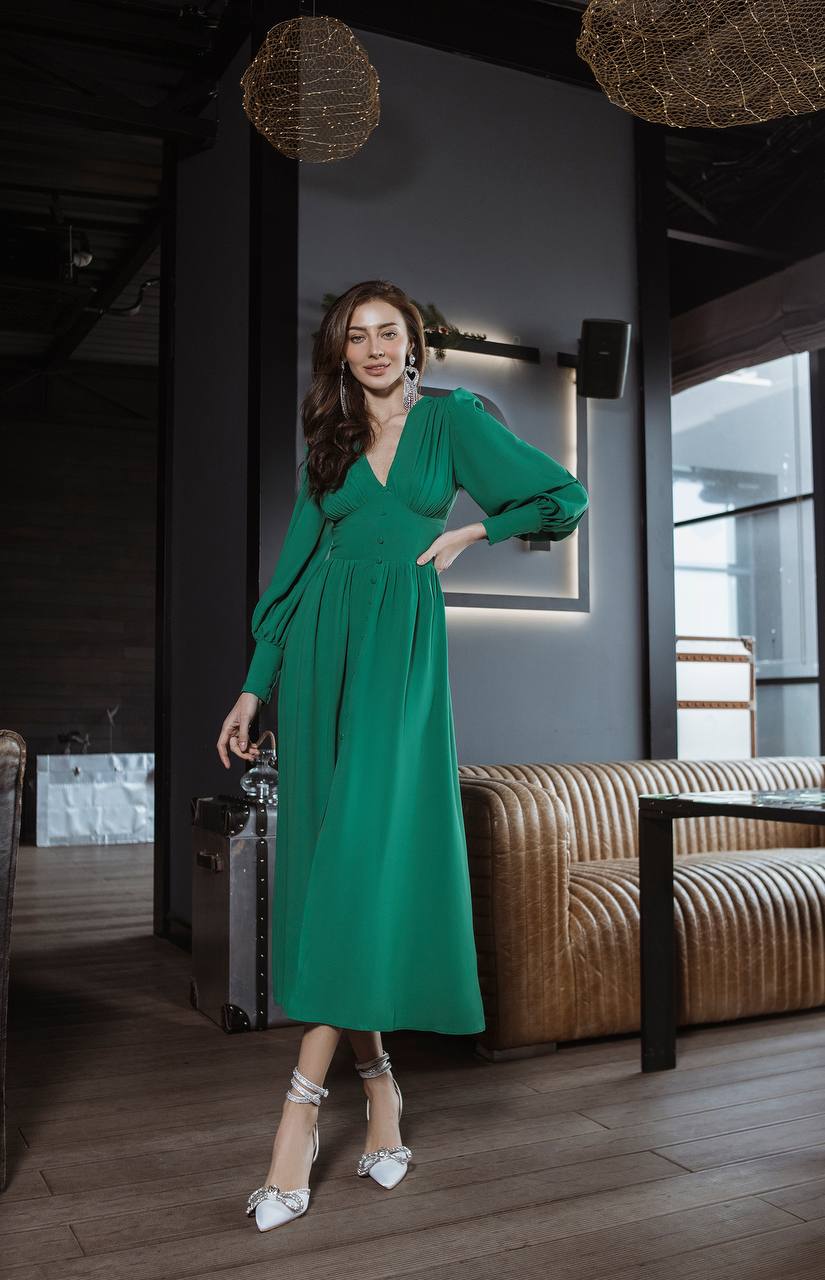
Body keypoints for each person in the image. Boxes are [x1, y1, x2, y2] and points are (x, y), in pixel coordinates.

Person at [216, 279, 589, 1231]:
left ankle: (297, 1120)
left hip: (399, 657)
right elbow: (294, 573)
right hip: (318, 659)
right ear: (340, 352)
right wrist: (255, 686)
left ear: (414, 344)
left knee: (359, 866)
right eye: (357, 336)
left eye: (389, 332)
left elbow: (564, 496)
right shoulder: (329, 440)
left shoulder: (452, 421)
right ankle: (379, 1084)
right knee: (332, 873)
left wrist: (476, 529)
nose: (375, 347)